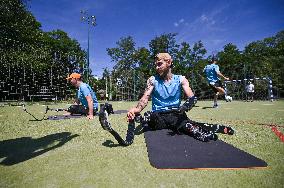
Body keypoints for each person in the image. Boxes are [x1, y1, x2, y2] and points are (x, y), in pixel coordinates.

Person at [127, 53, 233, 142]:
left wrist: (184, 107)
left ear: (168, 62)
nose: (156, 67)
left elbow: (192, 98)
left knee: (181, 121)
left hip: (175, 114)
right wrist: (137, 109)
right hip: (158, 116)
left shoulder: (181, 79)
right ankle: (190, 126)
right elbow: (145, 97)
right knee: (151, 116)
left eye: (159, 64)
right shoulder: (152, 80)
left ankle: (194, 127)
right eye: (156, 65)